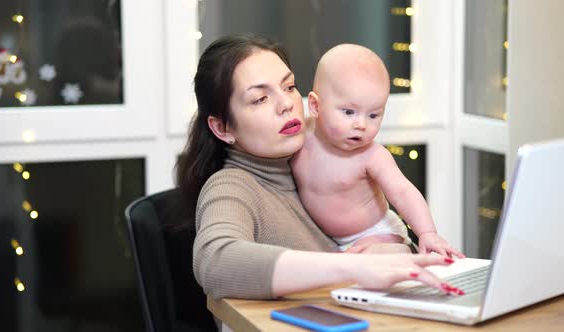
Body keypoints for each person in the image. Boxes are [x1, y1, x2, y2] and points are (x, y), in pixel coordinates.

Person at [176, 35, 463, 300]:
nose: (286, 104)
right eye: (260, 98)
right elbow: (215, 263)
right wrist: (350, 267)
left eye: (289, 87)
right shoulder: (231, 186)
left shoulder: (309, 151)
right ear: (222, 128)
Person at [291, 44, 464, 257]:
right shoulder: (299, 136)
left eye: (373, 115)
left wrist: (427, 232)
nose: (361, 124)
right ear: (316, 106)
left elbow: (403, 192)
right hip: (327, 239)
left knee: (377, 258)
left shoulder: (372, 155)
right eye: (349, 112)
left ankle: (403, 254)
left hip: (376, 232)